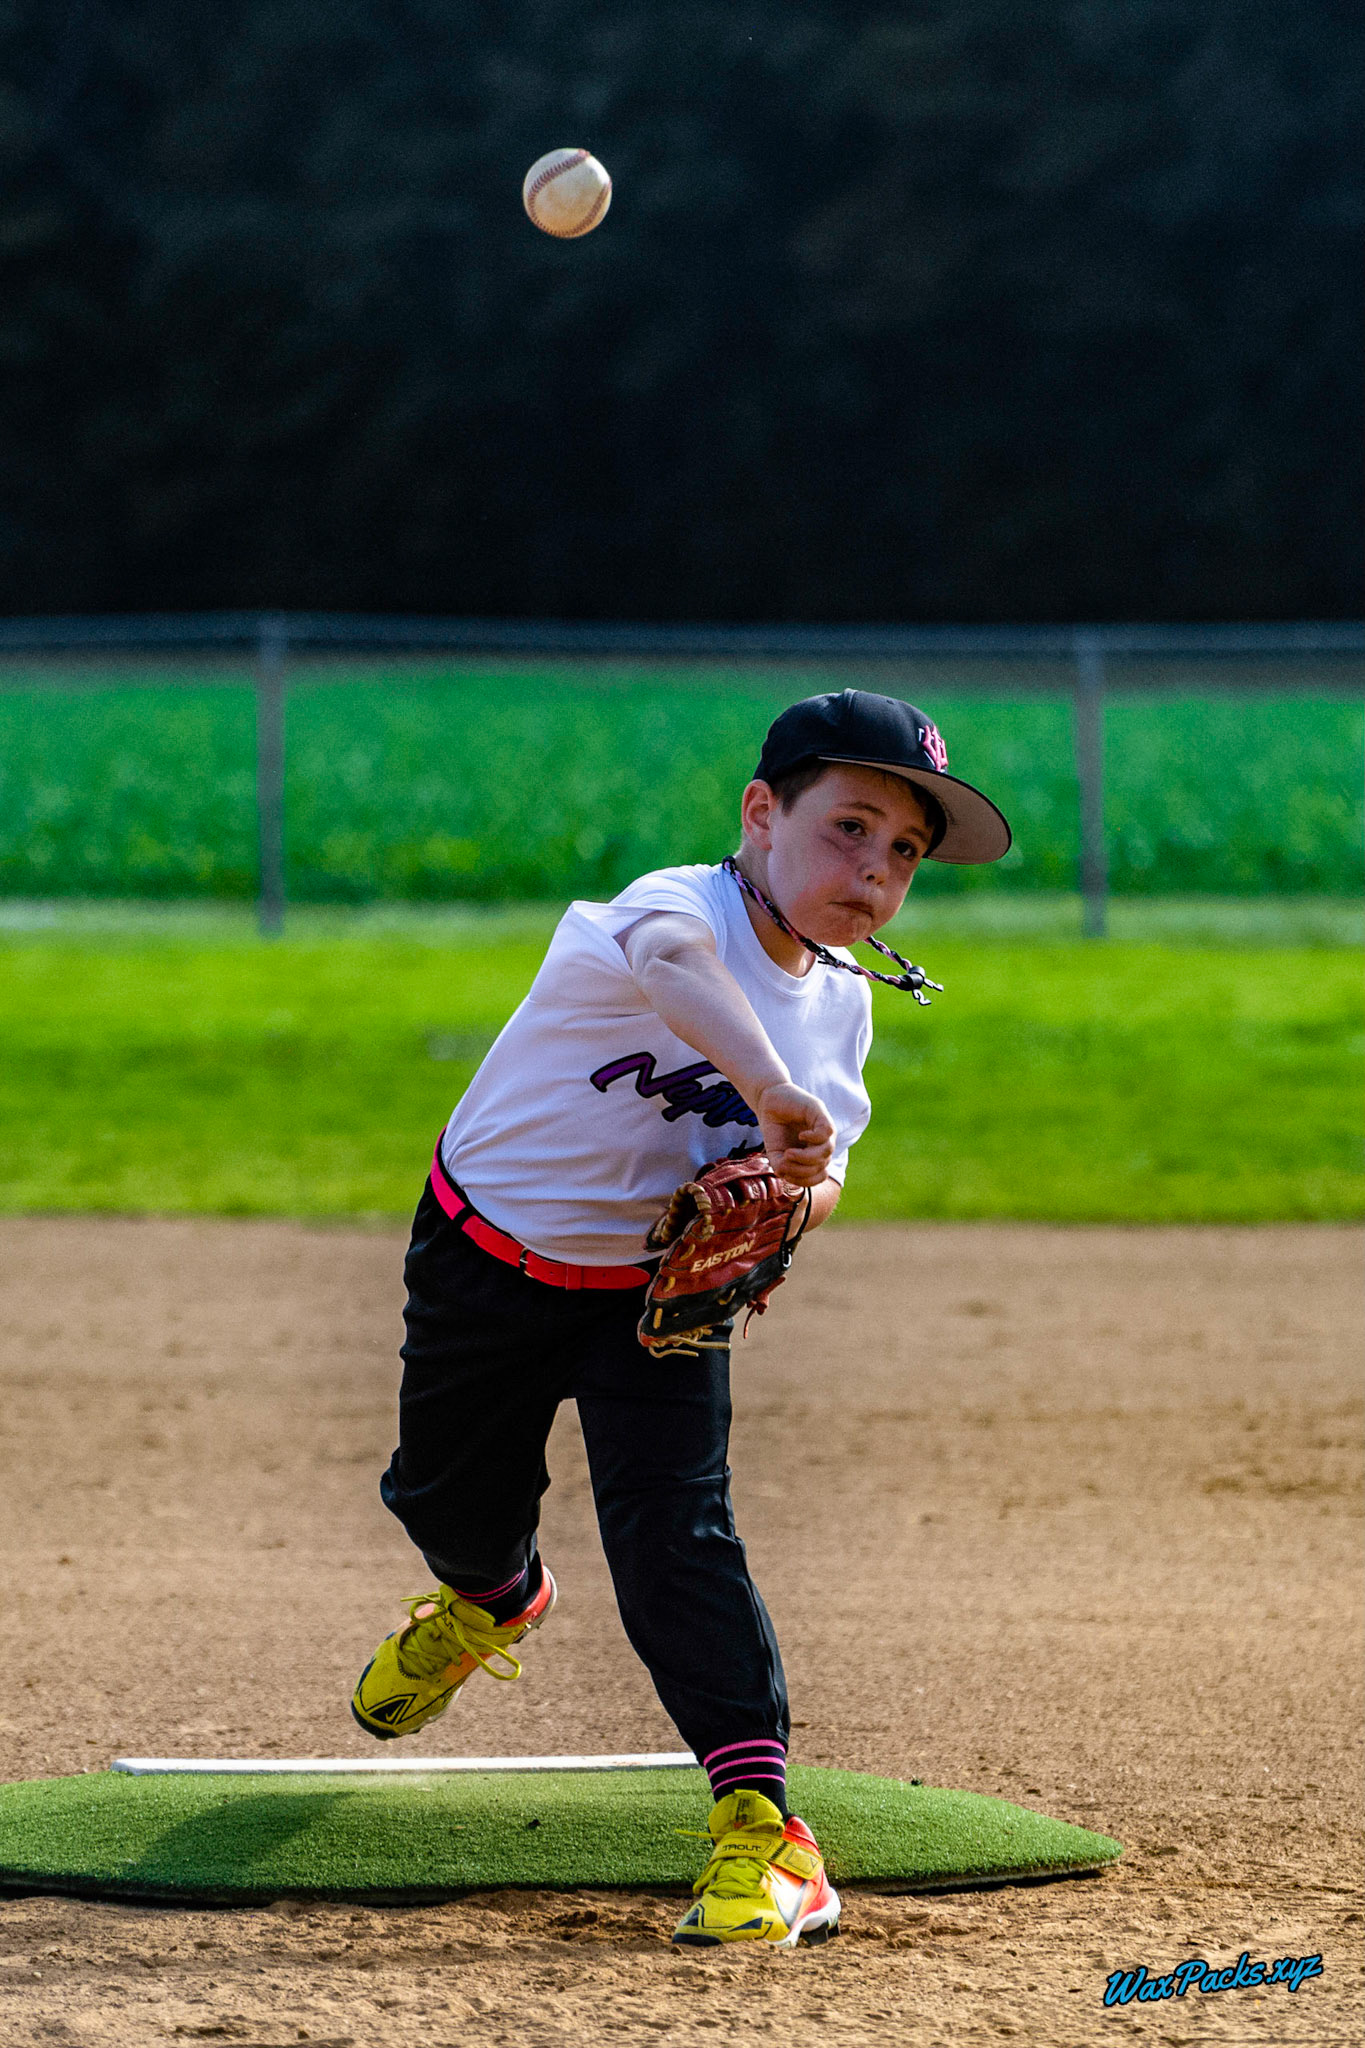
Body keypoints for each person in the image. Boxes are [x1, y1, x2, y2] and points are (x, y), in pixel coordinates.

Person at [351, 689, 1011, 1946]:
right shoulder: (669, 906)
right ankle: (493, 1598)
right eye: (849, 825)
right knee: (444, 1498)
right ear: (762, 813)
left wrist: (796, 1203)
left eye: (905, 852)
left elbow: (830, 1155)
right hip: (487, 1258)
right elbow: (676, 976)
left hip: (657, 1303)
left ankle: (766, 1832)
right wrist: (768, 1094)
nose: (872, 869)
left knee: (678, 1537)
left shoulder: (844, 1001)